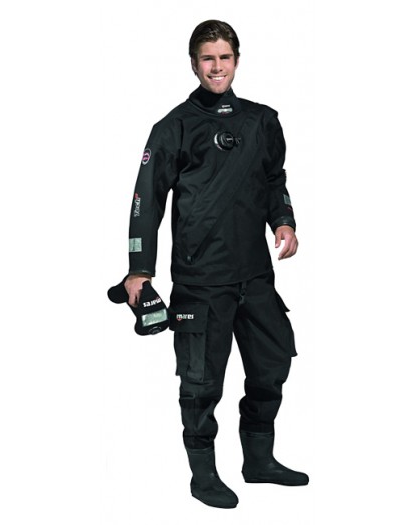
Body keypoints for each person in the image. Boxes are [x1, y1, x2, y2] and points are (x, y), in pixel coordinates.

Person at [123, 20, 309, 508]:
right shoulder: (173, 128)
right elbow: (146, 199)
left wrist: (283, 221)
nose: (217, 66)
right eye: (208, 58)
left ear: (237, 61)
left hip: (255, 275)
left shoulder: (262, 121)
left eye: (224, 57)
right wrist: (140, 268)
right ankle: (203, 476)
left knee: (272, 365)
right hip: (201, 280)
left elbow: (274, 179)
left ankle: (258, 461)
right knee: (201, 383)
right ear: (194, 64)